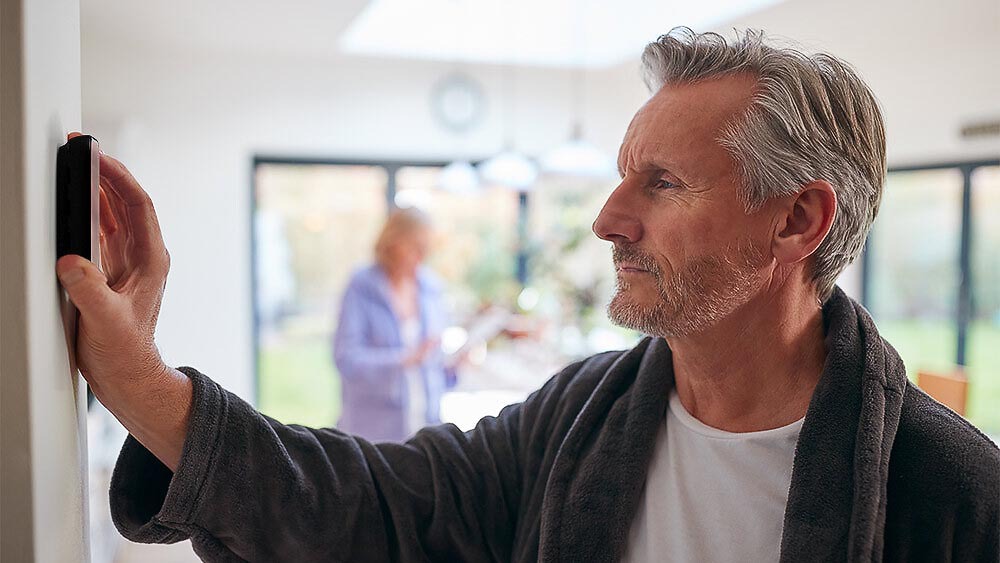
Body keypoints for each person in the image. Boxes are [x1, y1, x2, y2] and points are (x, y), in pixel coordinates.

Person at [56, 28, 998, 563]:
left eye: (661, 184)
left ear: (796, 223)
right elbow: (375, 506)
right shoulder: (577, 418)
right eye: (622, 176)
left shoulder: (956, 495)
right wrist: (141, 383)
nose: (606, 220)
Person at [333, 208, 455, 442]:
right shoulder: (361, 287)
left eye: (426, 248)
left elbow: (435, 368)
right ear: (392, 242)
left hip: (424, 429)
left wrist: (453, 365)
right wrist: (404, 359)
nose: (421, 256)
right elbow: (346, 359)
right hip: (373, 433)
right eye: (415, 247)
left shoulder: (430, 289)